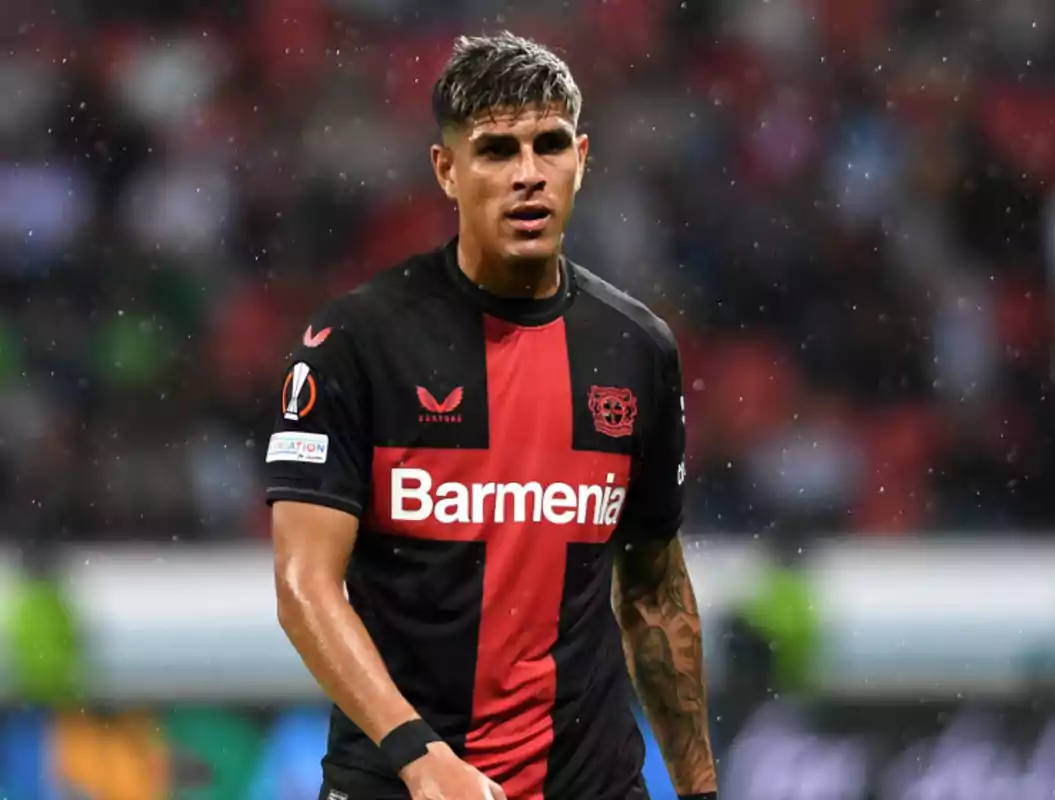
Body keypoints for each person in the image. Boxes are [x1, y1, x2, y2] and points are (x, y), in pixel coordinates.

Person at [265, 31, 719, 800]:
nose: (529, 176)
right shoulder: (355, 344)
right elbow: (303, 583)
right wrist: (421, 756)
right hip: (401, 785)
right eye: (497, 151)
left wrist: (700, 790)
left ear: (582, 157)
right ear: (447, 170)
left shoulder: (637, 349)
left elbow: (651, 589)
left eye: (548, 146)